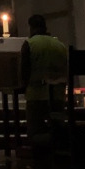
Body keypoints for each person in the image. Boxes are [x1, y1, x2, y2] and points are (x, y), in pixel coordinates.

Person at [19, 14, 68, 149]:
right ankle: (57, 145)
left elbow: (25, 70)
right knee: (57, 126)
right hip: (58, 96)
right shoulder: (60, 44)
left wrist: (23, 87)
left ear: (31, 27)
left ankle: (42, 152)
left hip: (37, 95)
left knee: (35, 131)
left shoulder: (30, 44)